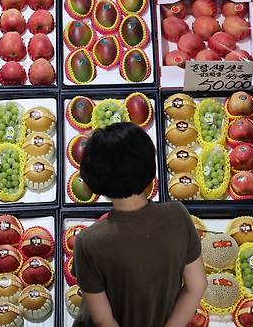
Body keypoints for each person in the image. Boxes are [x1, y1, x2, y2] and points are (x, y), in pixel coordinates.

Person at [73, 123, 207, 327]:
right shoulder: (178, 215)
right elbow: (197, 286)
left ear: (94, 183)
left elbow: (102, 320)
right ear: (151, 171)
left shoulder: (88, 242)